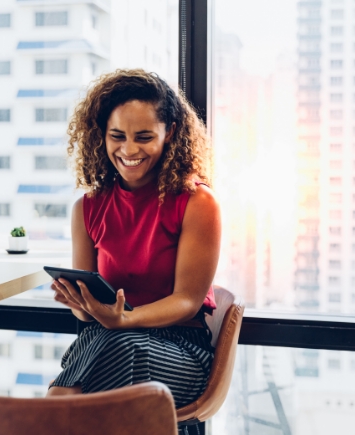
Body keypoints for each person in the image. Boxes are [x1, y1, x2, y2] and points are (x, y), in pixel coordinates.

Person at [47, 69, 221, 408]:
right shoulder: (86, 209)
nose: (129, 150)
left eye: (143, 137)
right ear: (102, 136)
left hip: (181, 349)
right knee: (106, 351)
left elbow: (187, 300)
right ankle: (59, 407)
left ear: (169, 132)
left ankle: (53, 408)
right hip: (107, 340)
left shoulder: (197, 203)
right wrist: (84, 305)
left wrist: (124, 319)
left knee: (80, 384)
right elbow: (86, 320)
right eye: (117, 136)